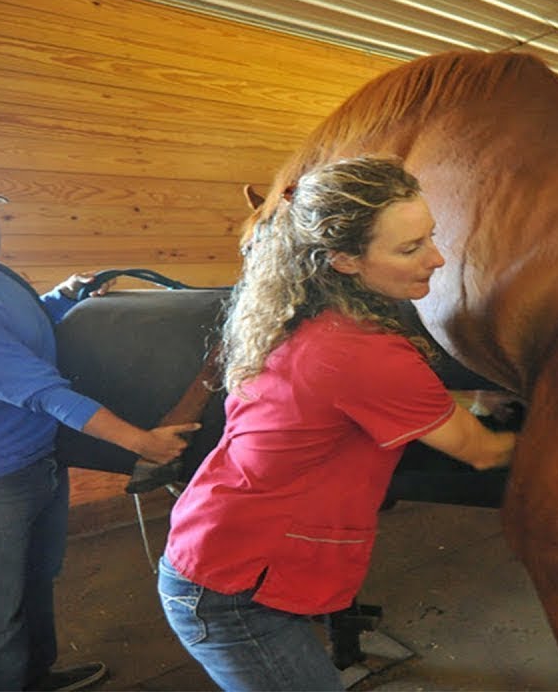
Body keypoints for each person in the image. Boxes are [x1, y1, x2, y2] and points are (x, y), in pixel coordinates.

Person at [158, 156, 518, 690]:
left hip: (216, 554)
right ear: (345, 260)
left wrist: (473, 400)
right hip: (234, 590)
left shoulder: (303, 318)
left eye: (430, 237)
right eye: (409, 248)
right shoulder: (363, 354)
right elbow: (484, 453)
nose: (437, 258)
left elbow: (359, 407)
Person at [0, 171, 200, 692]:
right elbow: (42, 390)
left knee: (32, 586)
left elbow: (29, 329)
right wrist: (142, 442)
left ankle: (32, 679)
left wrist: (60, 298)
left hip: (33, 461)